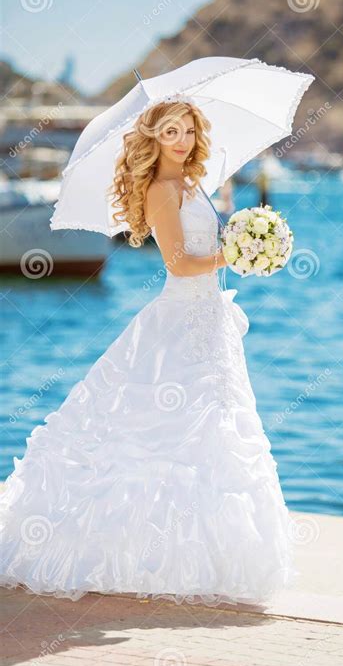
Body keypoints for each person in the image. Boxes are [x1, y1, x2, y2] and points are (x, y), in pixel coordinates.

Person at [0, 98, 298, 607]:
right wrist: (237, 252)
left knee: (215, 430)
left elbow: (205, 247)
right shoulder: (162, 190)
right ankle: (127, 552)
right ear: (153, 139)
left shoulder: (194, 183)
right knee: (155, 432)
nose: (180, 140)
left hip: (212, 322)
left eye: (186, 130)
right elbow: (181, 265)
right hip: (179, 322)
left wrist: (247, 240)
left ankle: (207, 558)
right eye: (169, 133)